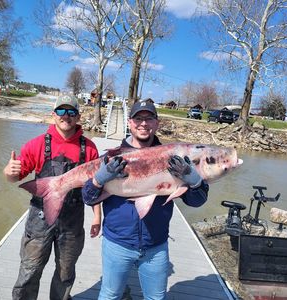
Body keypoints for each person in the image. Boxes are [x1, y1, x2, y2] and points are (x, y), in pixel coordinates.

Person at [82, 100, 209, 300]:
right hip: (117, 242)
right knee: (110, 295)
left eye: (149, 118)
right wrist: (99, 179)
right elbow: (88, 198)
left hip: (155, 246)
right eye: (138, 118)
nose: (143, 123)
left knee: (156, 298)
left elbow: (196, 202)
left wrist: (194, 181)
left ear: (157, 123)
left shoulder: (174, 157)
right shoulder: (113, 157)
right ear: (130, 123)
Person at [3, 95, 101, 300]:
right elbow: (14, 178)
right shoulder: (35, 145)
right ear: (53, 115)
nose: (66, 116)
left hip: (72, 222)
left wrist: (97, 216)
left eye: (71, 112)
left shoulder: (90, 148)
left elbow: (96, 187)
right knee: (30, 270)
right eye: (61, 111)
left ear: (78, 116)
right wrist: (9, 172)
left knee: (65, 273)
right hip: (39, 219)